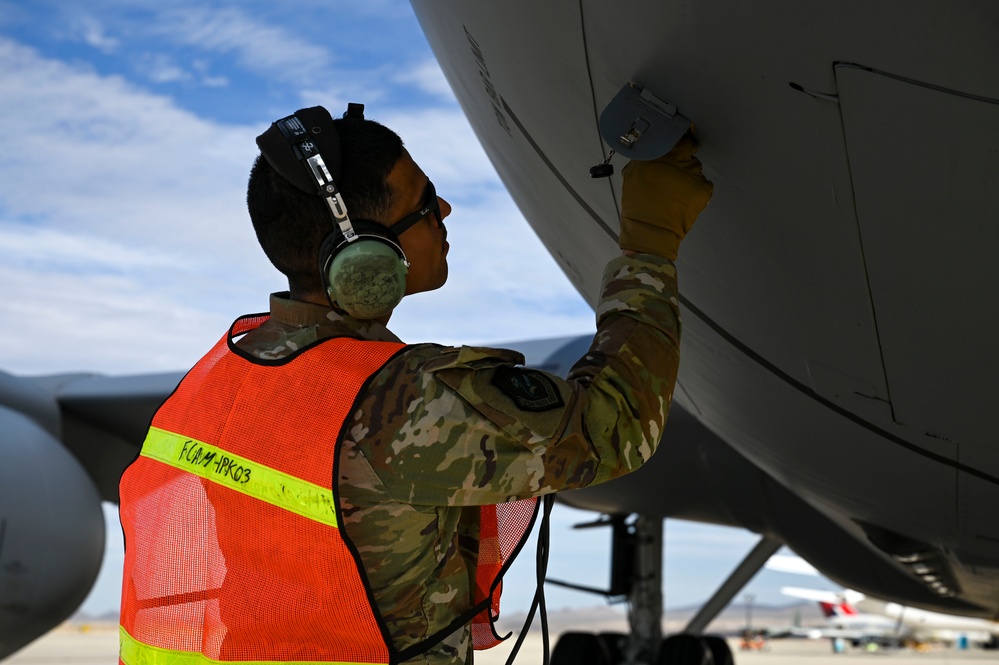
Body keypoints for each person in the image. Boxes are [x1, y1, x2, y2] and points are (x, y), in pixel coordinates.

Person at [117, 104, 712, 665]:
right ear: (365, 255)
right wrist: (648, 247)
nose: (445, 210)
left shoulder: (215, 380)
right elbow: (615, 426)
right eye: (425, 202)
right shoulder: (395, 402)